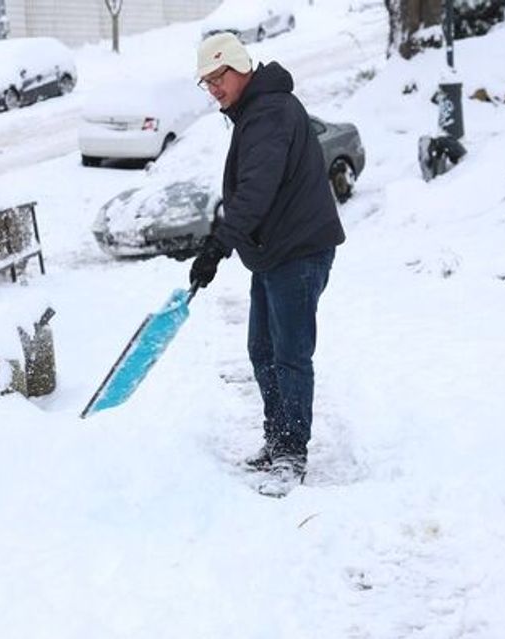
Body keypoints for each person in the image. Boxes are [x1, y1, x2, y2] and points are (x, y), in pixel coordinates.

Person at [189, 32, 345, 493]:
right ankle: (278, 440)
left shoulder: (269, 113)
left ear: (240, 67)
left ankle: (291, 454)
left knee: (290, 355)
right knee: (262, 350)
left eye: (218, 77)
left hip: (298, 252)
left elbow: (255, 191)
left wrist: (218, 246)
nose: (214, 88)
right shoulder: (257, 110)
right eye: (206, 82)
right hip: (275, 252)